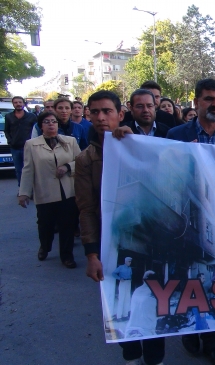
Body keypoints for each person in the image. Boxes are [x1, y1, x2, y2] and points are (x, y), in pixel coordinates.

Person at [76, 90, 166, 365]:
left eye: (107, 111)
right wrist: (92, 255)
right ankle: (130, 355)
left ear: (120, 114)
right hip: (112, 244)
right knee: (119, 304)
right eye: (95, 112)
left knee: (151, 304)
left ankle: (155, 359)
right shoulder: (85, 160)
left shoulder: (138, 146)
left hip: (151, 241)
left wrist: (133, 145)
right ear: (89, 116)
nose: (101, 117)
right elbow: (87, 210)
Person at [167, 79, 215, 365]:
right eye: (209, 99)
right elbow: (165, 170)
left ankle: (213, 341)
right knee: (189, 277)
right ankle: (189, 331)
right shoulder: (175, 135)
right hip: (189, 219)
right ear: (196, 102)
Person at [19, 111, 80, 268]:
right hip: (44, 192)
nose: (51, 124)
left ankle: (67, 256)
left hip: (67, 192)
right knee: (45, 225)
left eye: (54, 121)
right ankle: (45, 246)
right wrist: (24, 193)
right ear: (41, 126)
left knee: (67, 225)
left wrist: (67, 167)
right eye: (47, 122)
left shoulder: (70, 141)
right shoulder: (31, 145)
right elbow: (27, 169)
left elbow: (80, 162)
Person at [5, 96, 37, 187]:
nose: (18, 104)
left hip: (28, 147)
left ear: (23, 103)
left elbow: (36, 130)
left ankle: (31, 189)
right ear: (13, 104)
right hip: (15, 148)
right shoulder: (8, 116)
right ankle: (22, 189)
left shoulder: (31, 116)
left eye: (20, 102)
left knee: (29, 169)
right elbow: (6, 130)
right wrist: (10, 141)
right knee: (19, 170)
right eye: (16, 102)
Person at [112, 257, 133, 321]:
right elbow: (113, 273)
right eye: (129, 261)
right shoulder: (121, 267)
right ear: (125, 261)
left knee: (127, 299)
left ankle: (125, 315)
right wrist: (119, 278)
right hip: (123, 283)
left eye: (130, 261)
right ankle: (119, 316)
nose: (130, 263)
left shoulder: (130, 268)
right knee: (121, 299)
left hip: (128, 283)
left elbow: (131, 275)